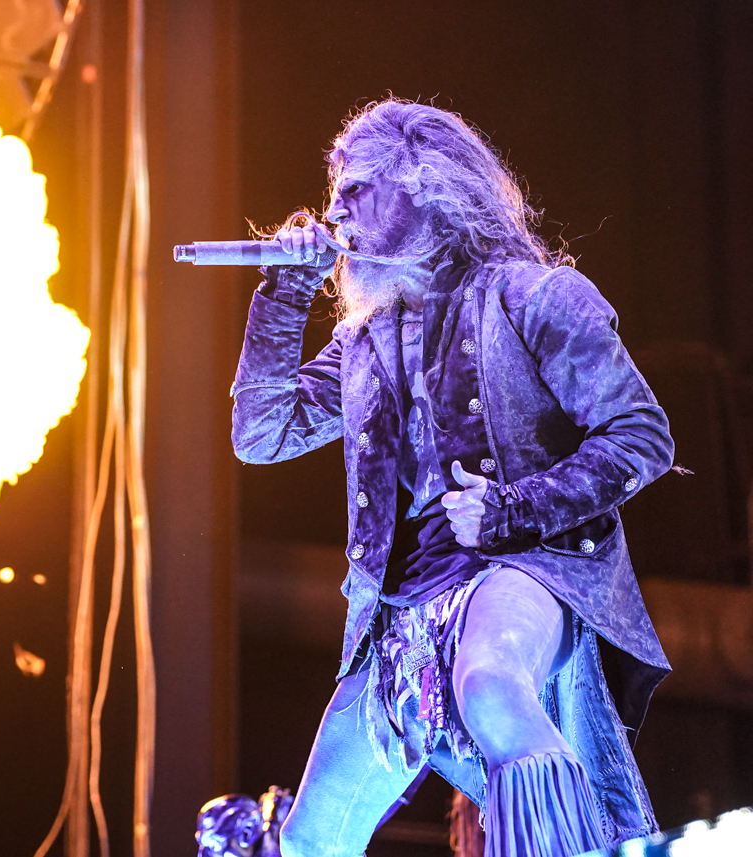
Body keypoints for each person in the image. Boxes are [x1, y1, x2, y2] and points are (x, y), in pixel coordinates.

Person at [230, 100, 673, 857]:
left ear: (426, 187)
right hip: (394, 618)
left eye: (357, 188)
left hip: (520, 568)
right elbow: (259, 434)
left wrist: (511, 508)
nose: (335, 210)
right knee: (308, 840)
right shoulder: (363, 342)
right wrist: (284, 292)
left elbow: (642, 435)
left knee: (493, 690)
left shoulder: (537, 296)